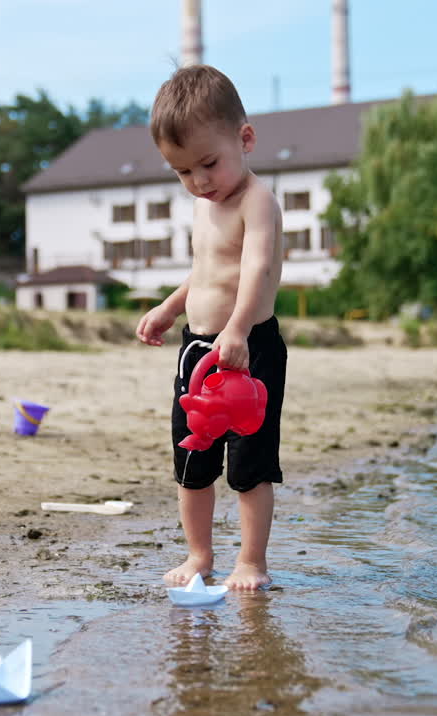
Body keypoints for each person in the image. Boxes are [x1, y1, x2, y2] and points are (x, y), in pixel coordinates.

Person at [135, 65, 286, 592]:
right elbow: (205, 273)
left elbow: (256, 270)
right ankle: (199, 555)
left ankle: (251, 562)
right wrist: (170, 307)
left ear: (244, 139)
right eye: (182, 173)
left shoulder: (256, 201)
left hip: (250, 348)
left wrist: (239, 329)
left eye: (208, 164)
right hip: (199, 351)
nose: (198, 182)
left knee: (251, 463)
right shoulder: (205, 205)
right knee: (192, 457)